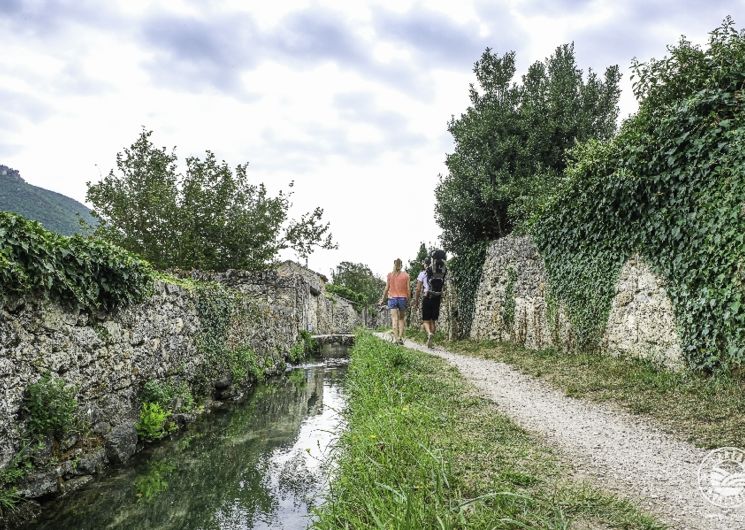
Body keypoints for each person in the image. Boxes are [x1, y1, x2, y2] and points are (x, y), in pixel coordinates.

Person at [413, 252, 446, 348]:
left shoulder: (423, 273)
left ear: (425, 263)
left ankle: (429, 334)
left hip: (427, 297)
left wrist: (416, 300)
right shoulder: (441, 271)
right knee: (433, 321)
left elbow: (418, 288)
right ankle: (431, 339)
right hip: (437, 297)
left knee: (426, 320)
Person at [379, 258, 410, 344]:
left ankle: (396, 339)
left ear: (394, 264)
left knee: (394, 319)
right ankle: (400, 337)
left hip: (392, 298)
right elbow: (408, 289)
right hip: (402, 299)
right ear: (401, 265)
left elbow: (386, 289)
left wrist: (383, 299)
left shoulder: (390, 275)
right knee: (401, 318)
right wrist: (409, 299)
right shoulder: (406, 275)